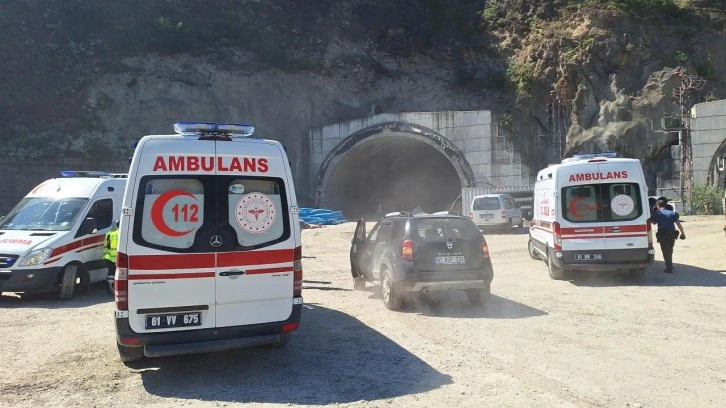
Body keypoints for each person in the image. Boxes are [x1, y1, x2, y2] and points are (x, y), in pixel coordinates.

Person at [650, 199, 685, 273]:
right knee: (670, 249)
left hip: (663, 235)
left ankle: (669, 267)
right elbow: (678, 223)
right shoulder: (672, 213)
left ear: (657, 206)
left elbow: (654, 223)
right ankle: (670, 264)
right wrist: (682, 233)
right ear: (665, 205)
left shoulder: (657, 213)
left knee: (665, 251)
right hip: (672, 234)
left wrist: (650, 218)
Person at [103, 220, 120, 294]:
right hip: (115, 257)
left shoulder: (109, 233)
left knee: (110, 273)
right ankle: (113, 288)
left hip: (108, 256)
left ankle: (108, 287)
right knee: (116, 273)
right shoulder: (119, 233)